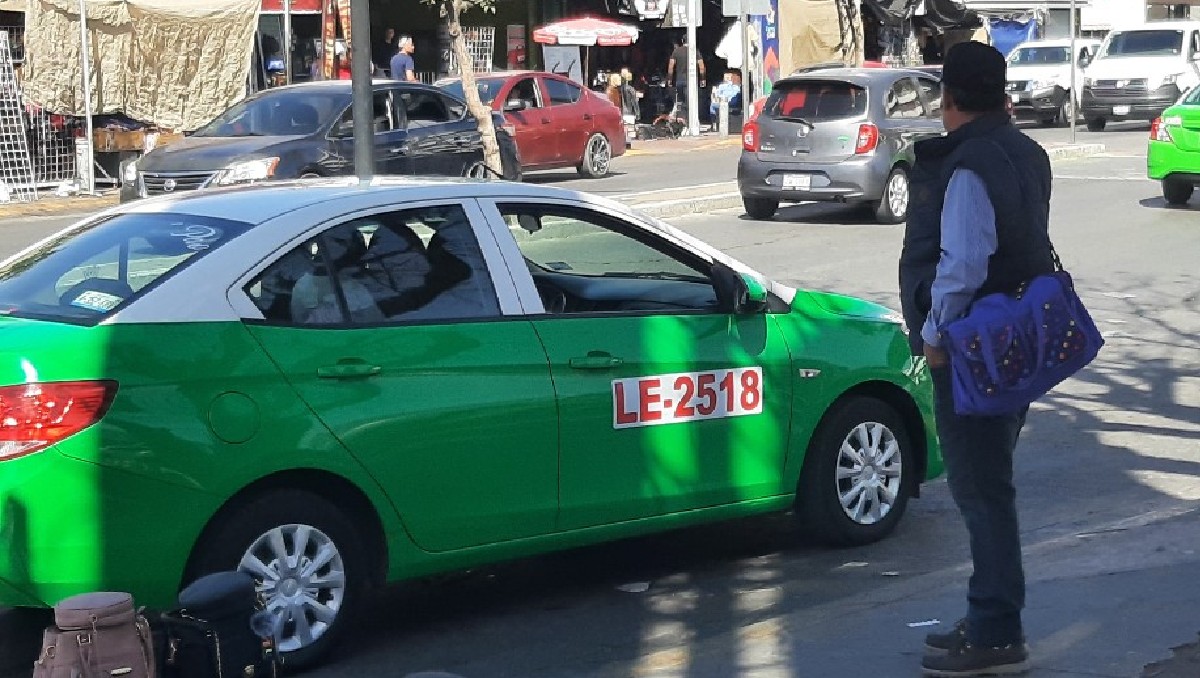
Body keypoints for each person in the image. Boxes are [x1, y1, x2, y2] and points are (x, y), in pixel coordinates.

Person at [898, 40, 1055, 677]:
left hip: (971, 349)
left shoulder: (967, 166)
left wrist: (934, 337)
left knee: (981, 490)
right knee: (991, 482)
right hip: (1017, 341)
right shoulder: (1026, 152)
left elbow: (962, 265)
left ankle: (994, 627)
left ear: (949, 98)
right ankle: (988, 614)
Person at [667, 35, 705, 121]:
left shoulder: (676, 51)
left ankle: (683, 119)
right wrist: (703, 79)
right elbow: (701, 66)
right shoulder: (695, 51)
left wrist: (669, 79)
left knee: (681, 101)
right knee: (692, 101)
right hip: (692, 81)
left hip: (679, 81)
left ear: (682, 40)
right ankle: (693, 120)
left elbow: (671, 66)